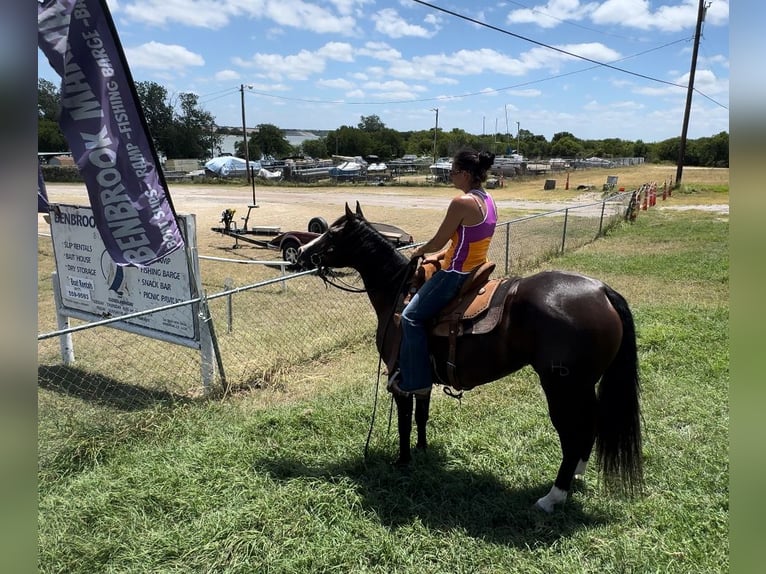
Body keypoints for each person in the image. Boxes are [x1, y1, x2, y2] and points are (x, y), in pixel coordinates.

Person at [389, 148, 498, 396]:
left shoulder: (462, 202)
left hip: (456, 273)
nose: (450, 176)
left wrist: (420, 252)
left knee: (410, 318)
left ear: (466, 174)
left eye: (453, 172)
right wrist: (438, 256)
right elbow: (465, 240)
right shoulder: (488, 199)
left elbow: (439, 240)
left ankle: (416, 382)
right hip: (477, 264)